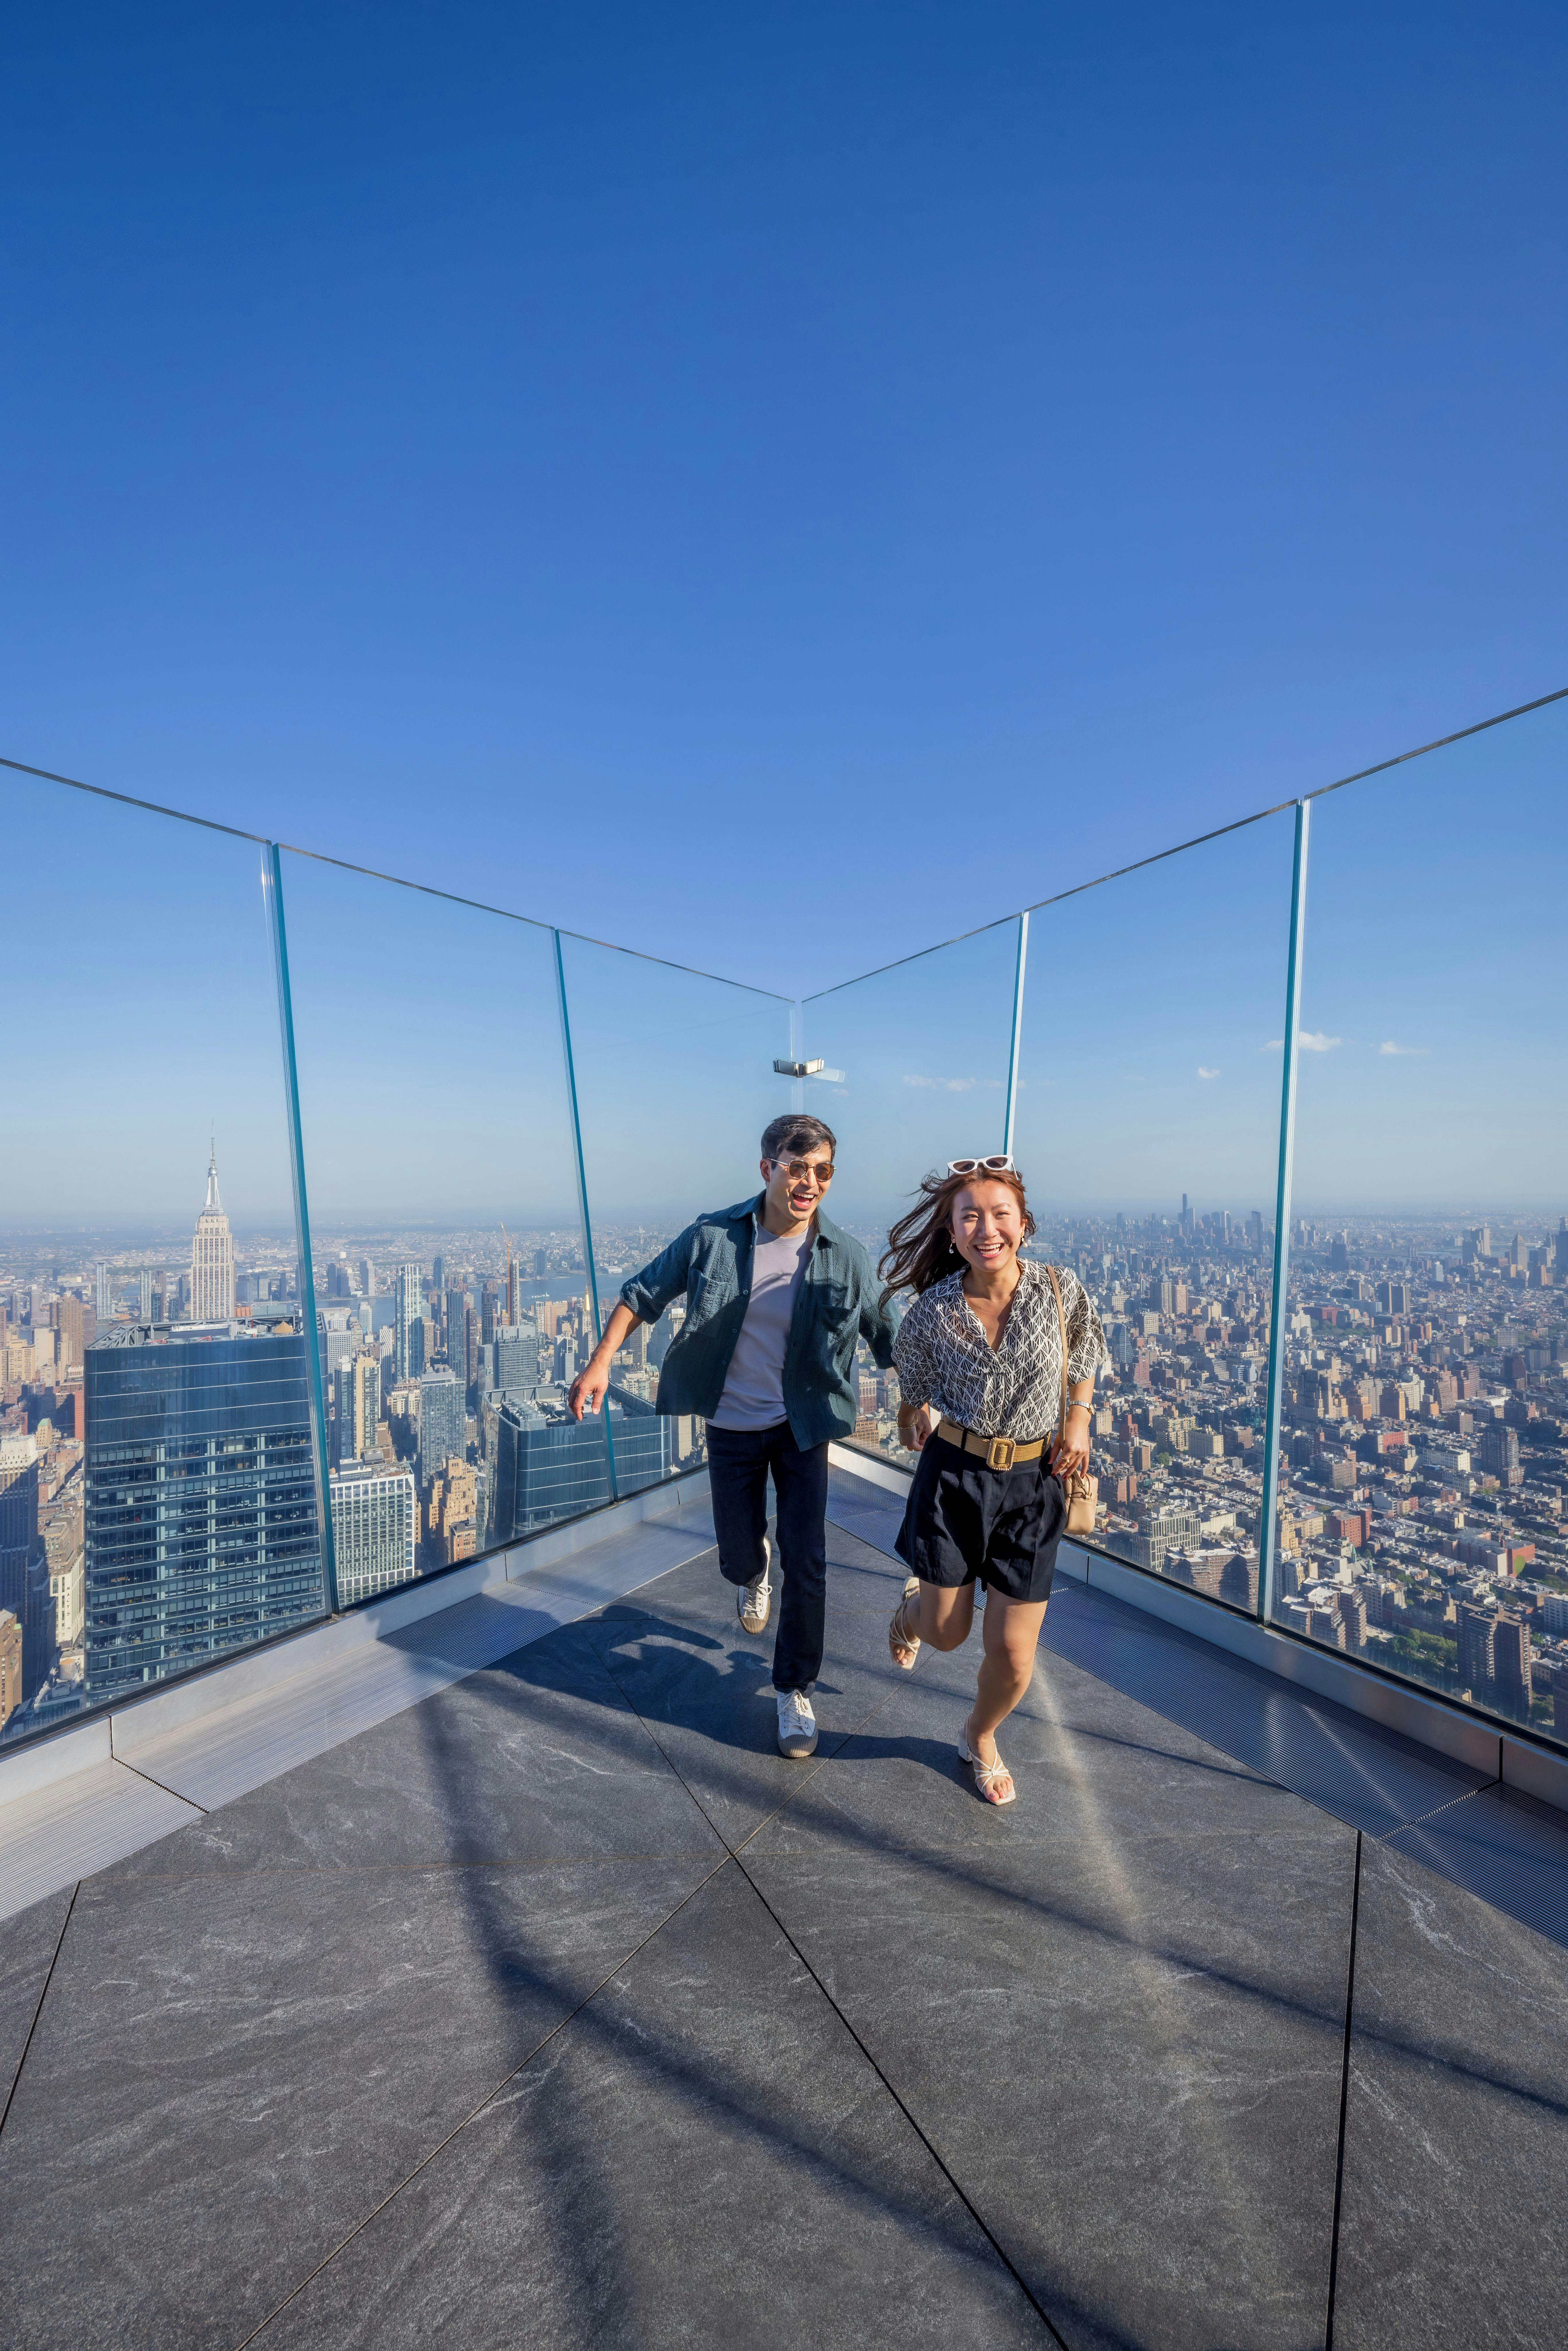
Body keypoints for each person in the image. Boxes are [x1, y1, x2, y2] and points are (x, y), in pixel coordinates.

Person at [567, 1114, 897, 1759]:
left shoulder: (847, 1258)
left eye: (822, 1170)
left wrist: (926, 1396)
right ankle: (752, 1570)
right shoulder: (712, 1236)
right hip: (731, 1424)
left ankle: (792, 1687)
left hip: (802, 1428)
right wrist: (601, 1359)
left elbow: (891, 1337)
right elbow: (644, 1292)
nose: (809, 1182)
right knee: (737, 1554)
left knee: (810, 1558)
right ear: (766, 1168)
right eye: (795, 1166)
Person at [881, 1156, 1108, 1805]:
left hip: (1034, 1484)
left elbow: (1084, 1354)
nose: (987, 1228)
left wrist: (1079, 1422)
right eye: (970, 1217)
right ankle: (911, 1612)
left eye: (999, 1214)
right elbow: (913, 1392)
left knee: (1011, 1655)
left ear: (1023, 1224)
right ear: (951, 1234)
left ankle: (979, 1735)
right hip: (953, 1477)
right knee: (947, 1635)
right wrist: (910, 1412)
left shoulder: (1058, 1289)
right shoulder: (930, 1311)